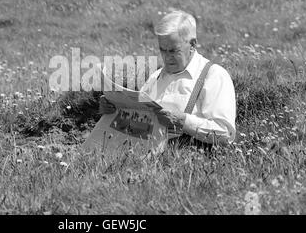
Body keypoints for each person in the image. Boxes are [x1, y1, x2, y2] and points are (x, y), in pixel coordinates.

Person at [99, 10, 236, 150]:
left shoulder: (214, 75)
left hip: (188, 163)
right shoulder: (156, 77)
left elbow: (225, 133)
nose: (166, 57)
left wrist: (183, 121)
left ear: (193, 44)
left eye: (173, 51)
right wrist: (115, 110)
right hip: (144, 159)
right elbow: (138, 124)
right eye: (162, 50)